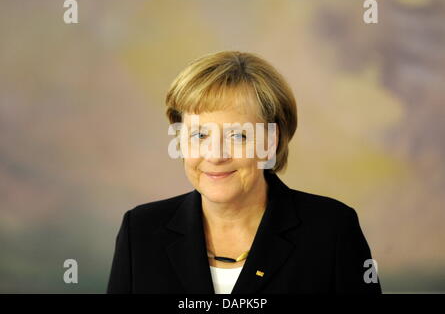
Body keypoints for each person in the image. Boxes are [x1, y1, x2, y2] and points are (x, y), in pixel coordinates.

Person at [106, 51, 382, 294]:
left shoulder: (330, 230)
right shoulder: (141, 231)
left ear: (271, 142)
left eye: (238, 136)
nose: (215, 155)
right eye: (199, 135)